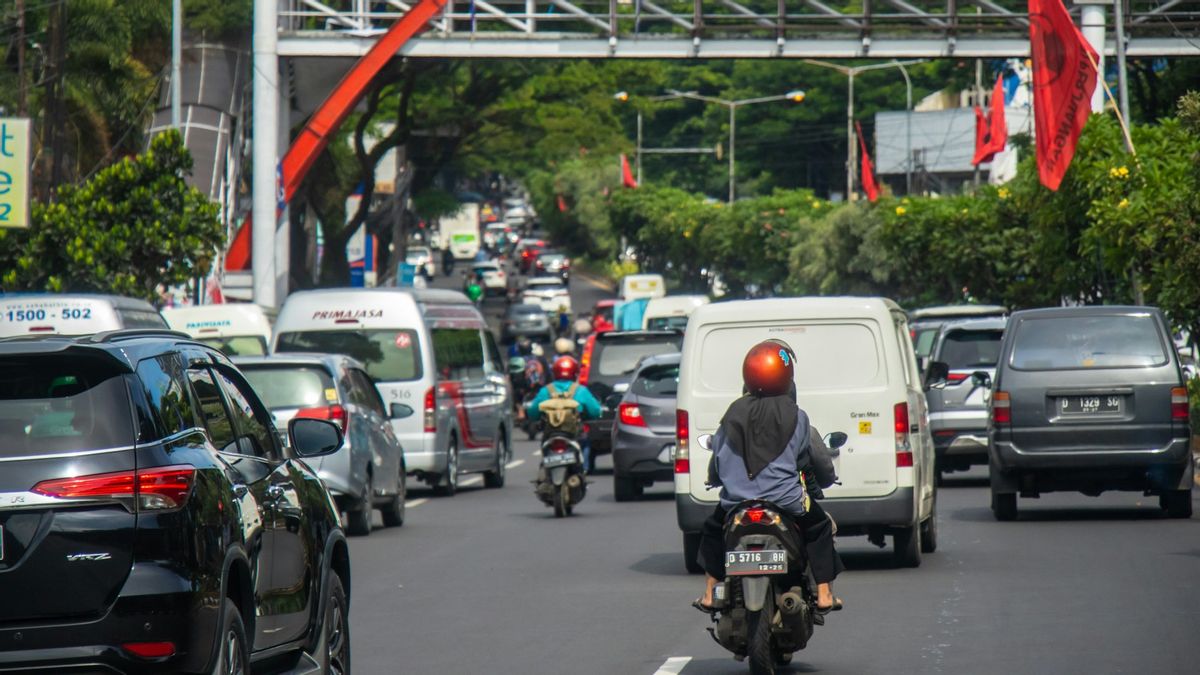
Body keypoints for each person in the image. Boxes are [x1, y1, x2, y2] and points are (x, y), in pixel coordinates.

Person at [695, 339, 844, 614]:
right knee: (820, 526)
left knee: (714, 528)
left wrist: (719, 479)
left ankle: (708, 592)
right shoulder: (798, 417)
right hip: (786, 502)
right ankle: (823, 593)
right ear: (787, 376)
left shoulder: (730, 416)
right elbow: (813, 458)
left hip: (736, 503)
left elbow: (716, 462)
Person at [525, 355, 601, 470]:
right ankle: (583, 471)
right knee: (585, 444)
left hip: (549, 435)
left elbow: (532, 413)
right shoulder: (581, 390)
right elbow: (595, 412)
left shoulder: (546, 390)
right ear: (575, 373)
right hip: (574, 436)